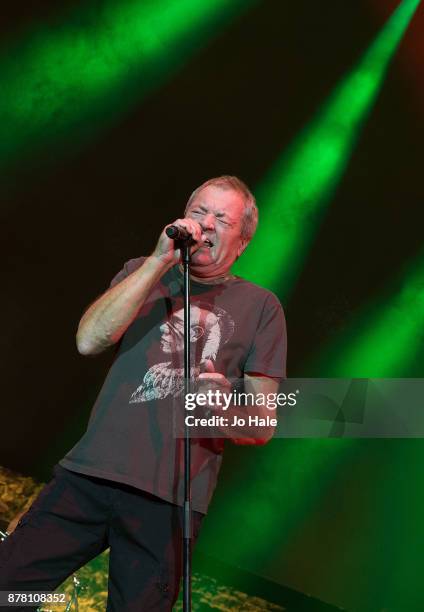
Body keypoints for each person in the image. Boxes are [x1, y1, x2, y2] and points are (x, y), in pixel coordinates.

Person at [0, 176, 287, 610]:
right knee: (13, 591)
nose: (205, 224)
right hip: (89, 476)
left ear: (242, 241)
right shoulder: (142, 271)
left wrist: (224, 406)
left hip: (169, 503)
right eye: (198, 212)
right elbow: (88, 340)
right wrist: (157, 262)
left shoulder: (262, 307)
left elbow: (263, 424)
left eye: (221, 219)